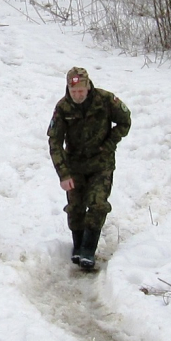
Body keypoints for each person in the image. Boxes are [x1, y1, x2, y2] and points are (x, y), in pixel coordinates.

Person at [47, 67, 131, 269]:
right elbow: (55, 142)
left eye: (81, 91)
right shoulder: (63, 108)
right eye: (73, 91)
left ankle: (88, 250)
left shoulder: (104, 100)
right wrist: (63, 173)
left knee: (97, 203)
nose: (77, 95)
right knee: (75, 209)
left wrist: (110, 144)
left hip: (101, 164)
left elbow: (125, 121)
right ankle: (78, 246)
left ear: (88, 87)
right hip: (75, 165)